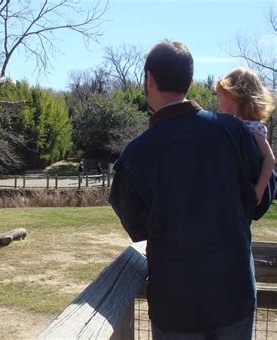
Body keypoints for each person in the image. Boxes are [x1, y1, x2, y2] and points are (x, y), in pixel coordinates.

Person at [109, 40, 274, 339]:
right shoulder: (236, 132)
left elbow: (138, 228)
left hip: (176, 306)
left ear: (149, 80)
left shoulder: (135, 156)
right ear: (191, 82)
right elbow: (260, 203)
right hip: (235, 297)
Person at [216, 68, 275, 204]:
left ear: (234, 96)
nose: (219, 102)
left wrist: (259, 189)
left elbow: (269, 158)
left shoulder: (253, 127)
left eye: (221, 97)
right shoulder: (230, 123)